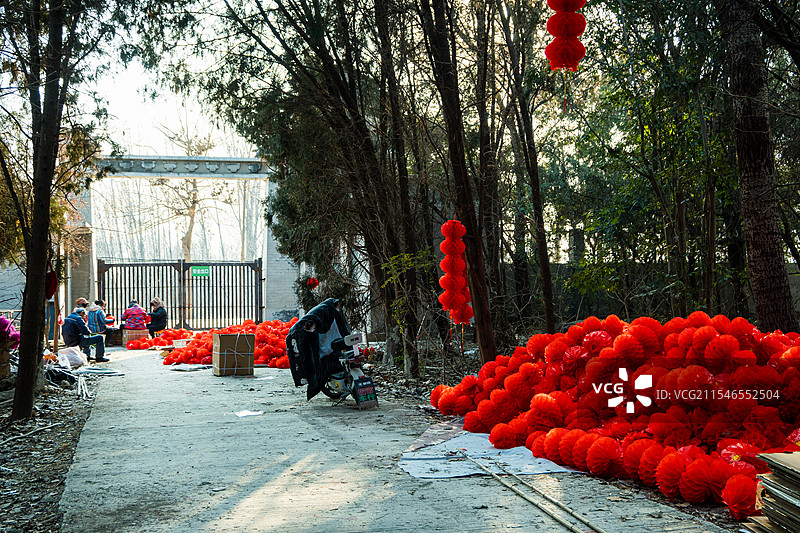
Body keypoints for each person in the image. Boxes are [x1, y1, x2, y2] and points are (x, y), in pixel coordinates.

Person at [285, 298, 351, 400]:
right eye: (336, 306)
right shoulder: (319, 315)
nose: (338, 309)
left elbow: (343, 329)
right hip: (321, 346)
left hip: (329, 346)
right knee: (312, 365)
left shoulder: (330, 314)